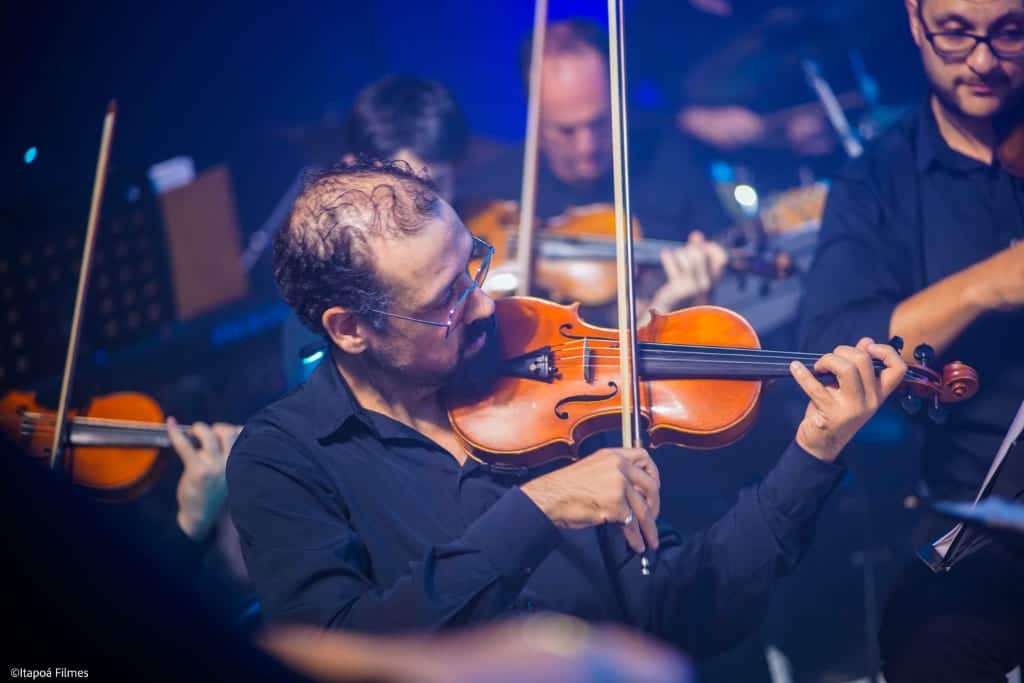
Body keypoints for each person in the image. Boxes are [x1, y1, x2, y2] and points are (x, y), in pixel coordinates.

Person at [226, 158, 906, 661]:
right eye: (446, 300)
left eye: (472, 266)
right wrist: (535, 509)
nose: (485, 305)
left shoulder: (542, 383)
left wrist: (813, 452)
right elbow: (342, 652)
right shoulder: (285, 458)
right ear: (350, 329)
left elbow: (683, 610)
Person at [797, 0, 1024, 679]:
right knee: (925, 643)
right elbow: (831, 344)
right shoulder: (877, 181)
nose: (983, 60)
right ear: (915, 20)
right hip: (980, 519)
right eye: (956, 31)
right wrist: (985, 285)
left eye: (1010, 32)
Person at [456, 18, 732, 323]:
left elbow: (724, 250)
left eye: (600, 123)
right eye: (566, 131)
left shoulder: (671, 155)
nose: (586, 147)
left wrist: (687, 305)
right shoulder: (487, 195)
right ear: (533, 116)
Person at [280, 74, 470, 387]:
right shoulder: (328, 297)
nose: (426, 206)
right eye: (405, 189)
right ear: (355, 169)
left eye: (437, 184)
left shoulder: (475, 228)